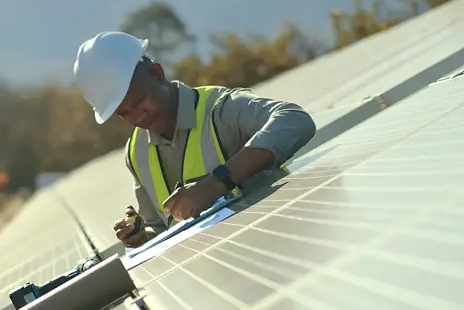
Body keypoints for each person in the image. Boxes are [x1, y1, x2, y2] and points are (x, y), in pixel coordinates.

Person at [72, 30, 317, 248]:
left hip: (277, 247)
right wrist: (141, 237)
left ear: (158, 74)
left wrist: (216, 183)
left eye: (139, 101)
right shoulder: (136, 152)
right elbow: (159, 228)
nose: (138, 116)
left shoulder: (220, 110)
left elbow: (295, 120)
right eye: (124, 112)